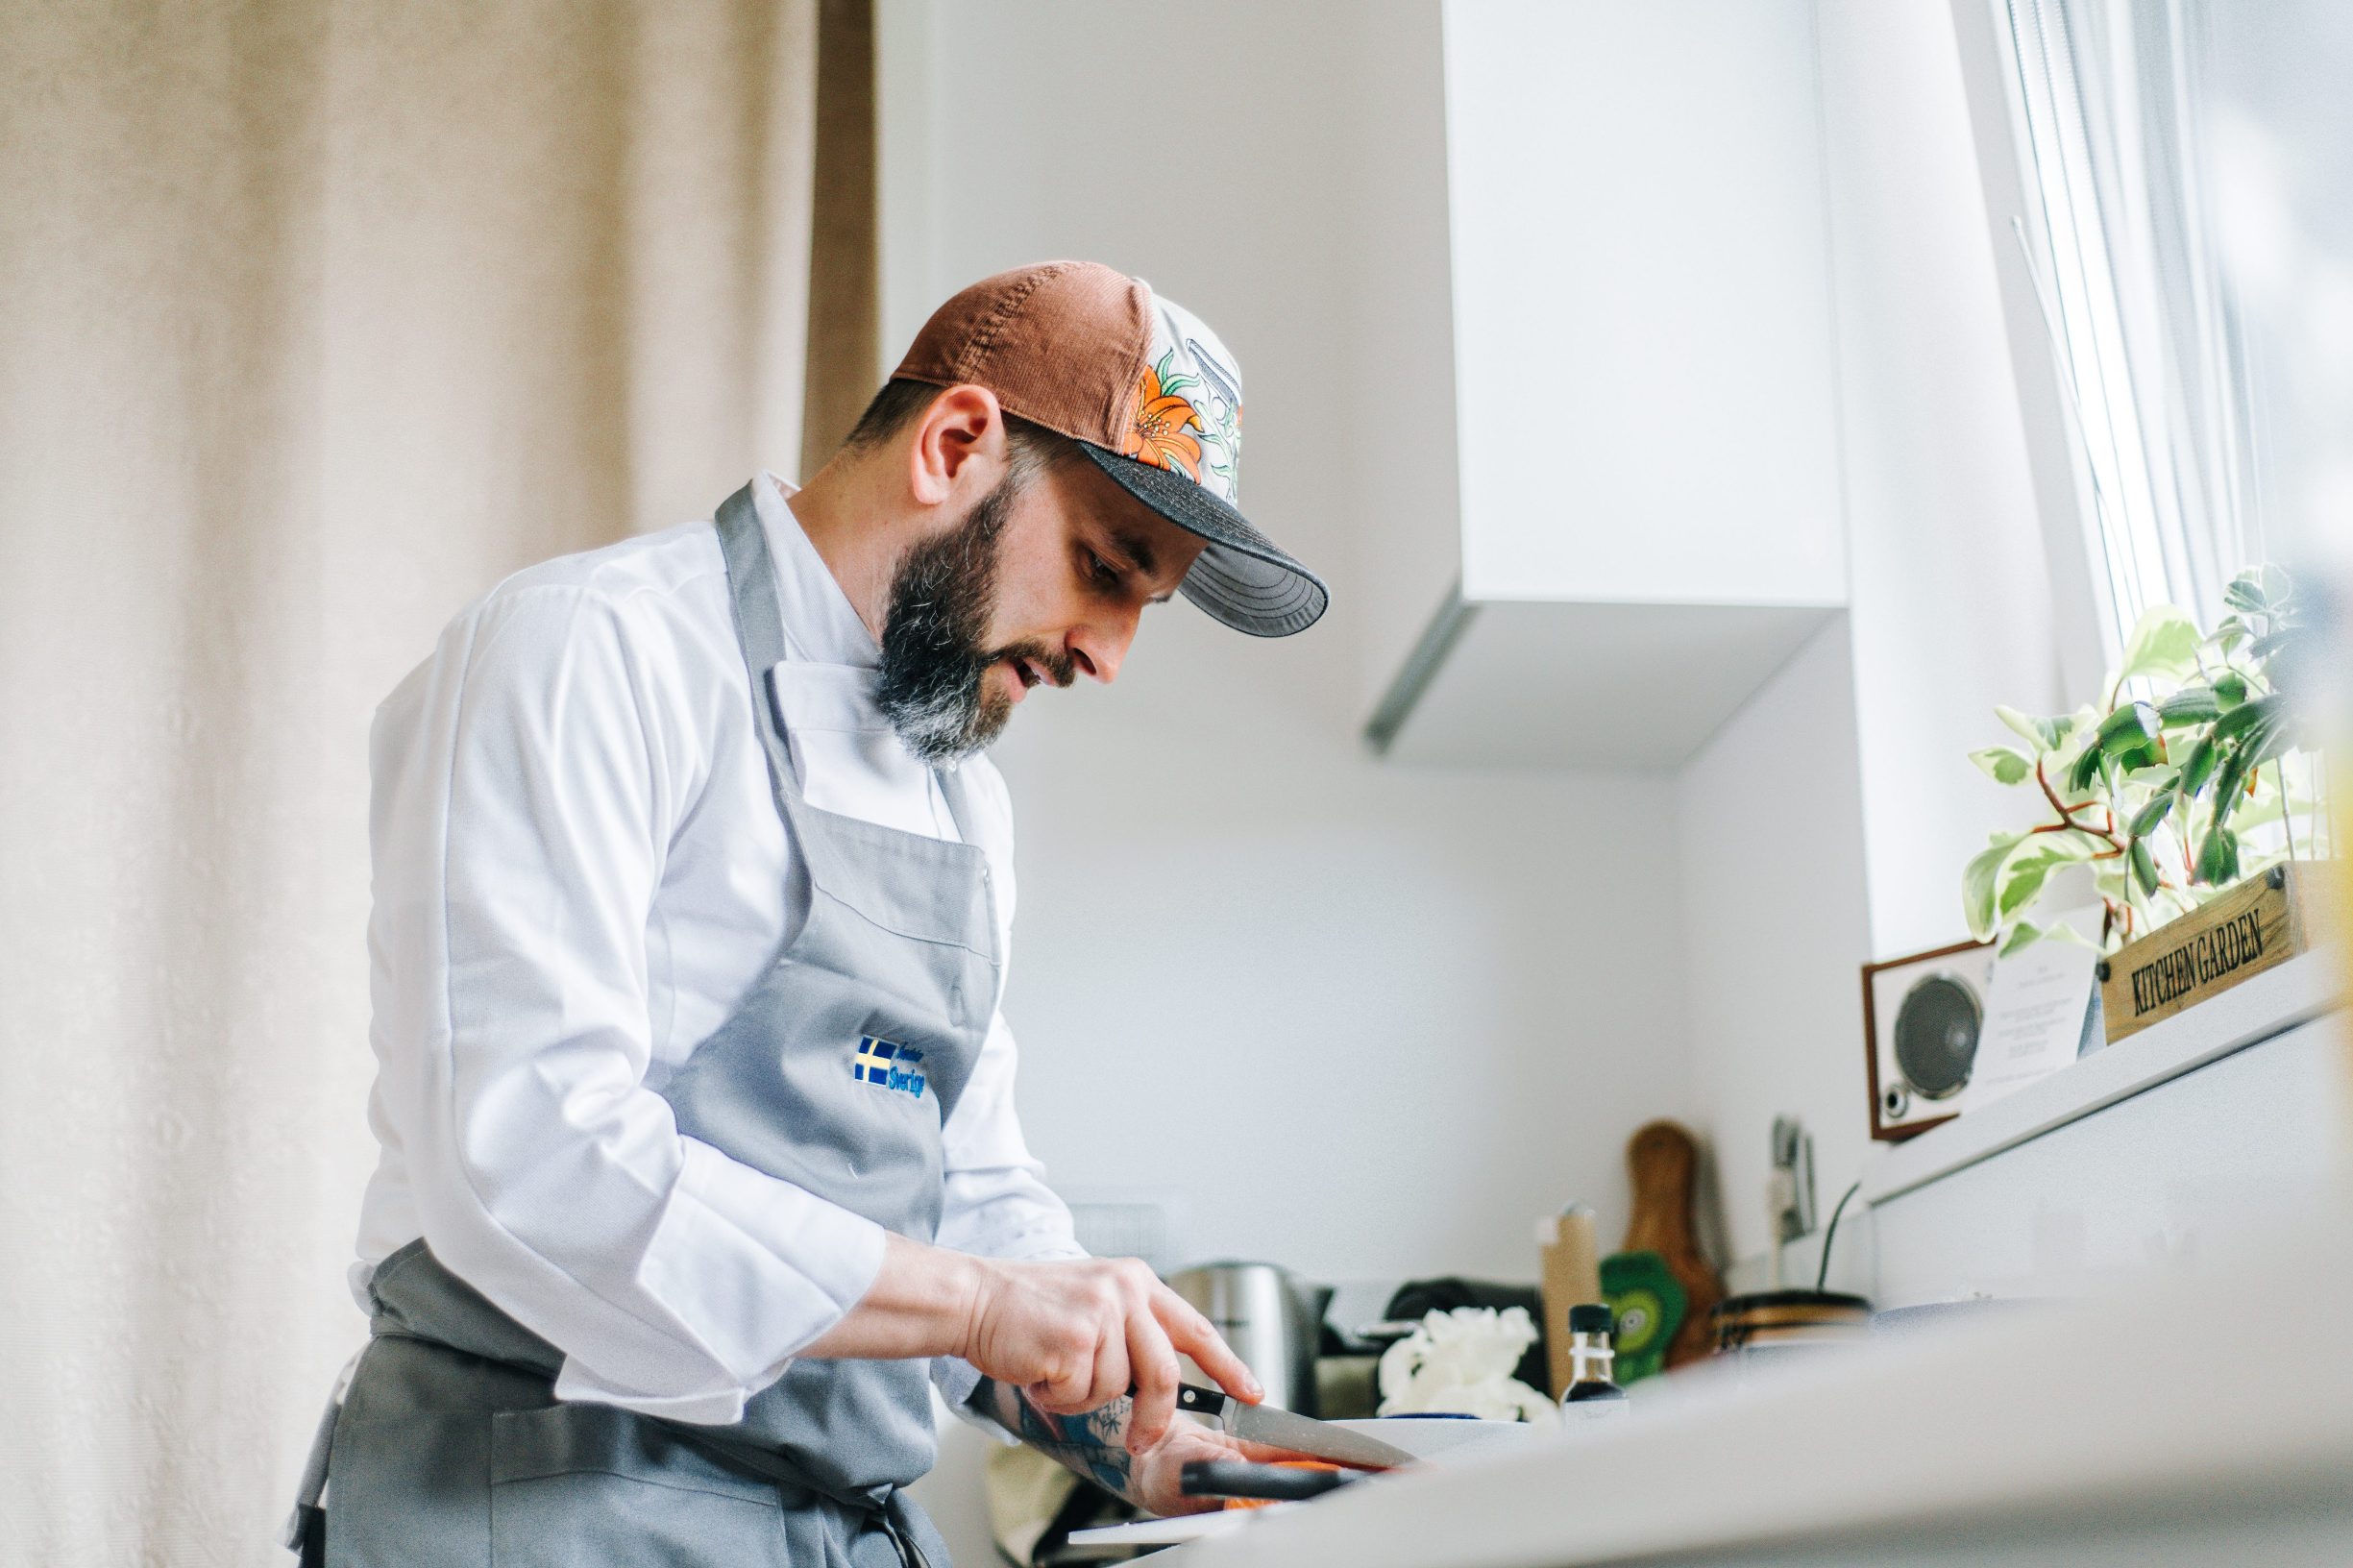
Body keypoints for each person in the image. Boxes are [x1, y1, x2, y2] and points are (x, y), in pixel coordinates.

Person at [283, 261, 1329, 1566]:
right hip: (546, 1500)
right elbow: (531, 1156)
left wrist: (1137, 1430)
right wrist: (984, 1305)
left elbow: (972, 1200)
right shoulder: (586, 651)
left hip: (833, 1531)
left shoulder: (959, 802)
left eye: (1144, 605)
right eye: (1104, 567)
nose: (1107, 654)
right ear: (955, 444)